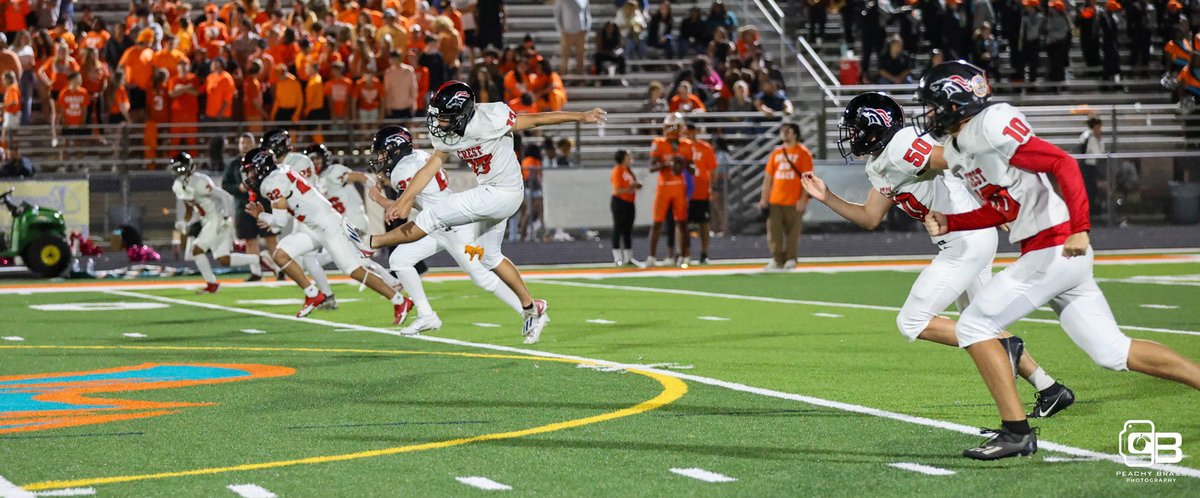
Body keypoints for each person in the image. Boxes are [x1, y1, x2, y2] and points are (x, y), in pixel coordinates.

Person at [916, 61, 1200, 460]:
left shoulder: (991, 124)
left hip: (1055, 246)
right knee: (1112, 352)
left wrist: (1079, 227)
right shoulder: (963, 147)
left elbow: (1061, 163)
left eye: (931, 104)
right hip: (1054, 254)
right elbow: (1005, 208)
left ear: (954, 101)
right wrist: (952, 220)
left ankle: (1015, 432)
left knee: (974, 324)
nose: (928, 114)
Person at [803, 91, 1076, 417]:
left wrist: (995, 203)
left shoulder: (901, 146)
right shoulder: (881, 161)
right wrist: (827, 196)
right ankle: (1049, 388)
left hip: (965, 240)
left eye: (854, 128)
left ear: (876, 127)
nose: (850, 136)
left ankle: (1008, 347)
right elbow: (869, 216)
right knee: (982, 320)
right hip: (969, 240)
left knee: (912, 322)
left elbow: (959, 159)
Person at [346, 80, 607, 344]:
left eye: (446, 118)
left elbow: (536, 120)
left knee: (433, 216)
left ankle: (372, 243)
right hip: (491, 196)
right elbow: (431, 166)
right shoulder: (449, 134)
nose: (441, 124)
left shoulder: (490, 117)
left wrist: (580, 116)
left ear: (463, 112)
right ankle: (531, 306)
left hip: (503, 192)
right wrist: (406, 199)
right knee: (490, 258)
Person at [367, 125, 526, 335]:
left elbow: (402, 211)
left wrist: (377, 198)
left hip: (451, 226)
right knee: (399, 260)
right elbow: (441, 183)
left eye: (383, 152)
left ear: (395, 148)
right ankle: (426, 316)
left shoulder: (402, 170)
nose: (381, 158)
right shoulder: (420, 156)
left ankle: (529, 311)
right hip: (439, 224)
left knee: (483, 277)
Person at [243, 146, 414, 320]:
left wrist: (261, 214)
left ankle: (399, 300)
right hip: (314, 226)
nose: (249, 176)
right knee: (280, 254)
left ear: (260, 165)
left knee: (355, 270)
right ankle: (312, 294)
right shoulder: (282, 170)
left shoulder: (270, 182)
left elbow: (279, 222)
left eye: (250, 171)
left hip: (329, 225)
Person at [171, 152, 263, 293]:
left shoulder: (200, 181)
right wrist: (184, 221)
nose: (178, 171)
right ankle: (257, 259)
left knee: (197, 250)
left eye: (180, 168)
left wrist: (226, 217)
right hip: (207, 220)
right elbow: (189, 207)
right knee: (223, 260)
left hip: (217, 218)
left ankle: (211, 284)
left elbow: (224, 196)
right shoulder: (178, 185)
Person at [223, 132, 275, 278]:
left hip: (263, 205)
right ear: (239, 145)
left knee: (270, 237)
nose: (245, 145)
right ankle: (256, 272)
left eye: (248, 142)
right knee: (250, 240)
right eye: (242, 143)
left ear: (254, 144)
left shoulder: (263, 160)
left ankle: (280, 268)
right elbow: (225, 184)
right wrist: (239, 188)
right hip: (244, 207)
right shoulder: (234, 164)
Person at [758, 122, 809, 270]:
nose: (785, 133)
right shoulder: (776, 153)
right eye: (783, 130)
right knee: (774, 231)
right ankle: (777, 258)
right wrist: (764, 198)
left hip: (794, 199)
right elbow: (768, 177)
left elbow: (807, 177)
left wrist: (802, 198)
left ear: (795, 133)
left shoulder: (803, 152)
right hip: (776, 199)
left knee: (793, 232)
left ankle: (791, 258)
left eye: (788, 131)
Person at [646, 112, 690, 268]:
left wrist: (681, 164)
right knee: (657, 223)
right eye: (669, 126)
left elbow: (691, 168)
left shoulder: (686, 145)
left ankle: (684, 257)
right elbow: (651, 167)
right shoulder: (659, 143)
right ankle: (651, 257)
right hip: (664, 186)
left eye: (674, 126)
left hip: (679, 187)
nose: (671, 129)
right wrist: (666, 165)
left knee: (682, 222)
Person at [307, 143, 369, 232]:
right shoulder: (313, 180)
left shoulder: (334, 170)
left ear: (324, 157)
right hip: (339, 225)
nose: (314, 162)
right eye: (311, 160)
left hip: (354, 220)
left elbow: (361, 177)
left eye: (317, 158)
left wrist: (374, 191)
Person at [686, 123, 717, 264]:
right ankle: (684, 253)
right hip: (685, 192)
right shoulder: (681, 147)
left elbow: (712, 170)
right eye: (687, 131)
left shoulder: (705, 148)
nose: (689, 134)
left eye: (692, 131)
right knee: (682, 224)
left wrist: (712, 187)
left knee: (704, 224)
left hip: (701, 191)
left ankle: (704, 253)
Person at [610, 149, 641, 266]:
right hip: (620, 201)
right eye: (627, 156)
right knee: (618, 228)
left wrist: (635, 186)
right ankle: (617, 257)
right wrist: (630, 187)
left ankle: (628, 257)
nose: (630, 158)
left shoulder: (627, 170)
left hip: (629, 201)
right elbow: (617, 190)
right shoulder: (617, 170)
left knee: (628, 230)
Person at [554, 0, 591, 75]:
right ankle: (564, 73)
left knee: (581, 54)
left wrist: (587, 28)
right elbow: (557, 15)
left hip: (580, 31)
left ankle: (580, 74)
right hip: (567, 32)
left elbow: (587, 14)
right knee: (565, 54)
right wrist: (561, 29)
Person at [1078, 115, 1104, 214]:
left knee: (1090, 189)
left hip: (1088, 166)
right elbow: (1099, 153)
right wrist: (1099, 139)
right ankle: (1090, 212)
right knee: (1090, 190)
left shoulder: (1086, 135)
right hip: (1087, 166)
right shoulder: (1090, 137)